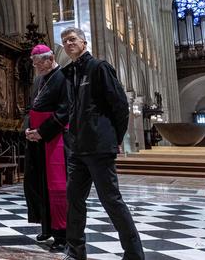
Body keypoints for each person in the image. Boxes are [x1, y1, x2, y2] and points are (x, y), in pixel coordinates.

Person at [60, 27, 144, 260]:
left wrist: (115, 139)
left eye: (72, 39)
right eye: (65, 41)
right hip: (77, 148)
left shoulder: (99, 67)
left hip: (99, 147)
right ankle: (75, 251)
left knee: (111, 200)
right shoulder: (70, 73)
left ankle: (134, 253)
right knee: (74, 199)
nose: (68, 44)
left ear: (84, 41)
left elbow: (120, 106)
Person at [22, 44, 69, 252]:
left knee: (56, 187)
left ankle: (62, 235)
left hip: (55, 139)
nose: (35, 67)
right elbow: (31, 107)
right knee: (39, 184)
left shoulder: (64, 78)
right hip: (37, 140)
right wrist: (28, 130)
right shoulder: (40, 79)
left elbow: (65, 111)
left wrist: (42, 131)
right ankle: (47, 227)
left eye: (38, 63)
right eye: (33, 63)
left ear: (49, 59)